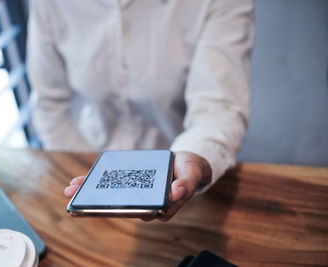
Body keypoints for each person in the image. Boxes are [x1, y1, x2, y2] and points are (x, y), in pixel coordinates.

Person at [26, 0, 254, 221]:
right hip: (86, 168)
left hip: (179, 175)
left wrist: (192, 156)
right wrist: (87, 176)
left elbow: (218, 107)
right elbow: (49, 103)